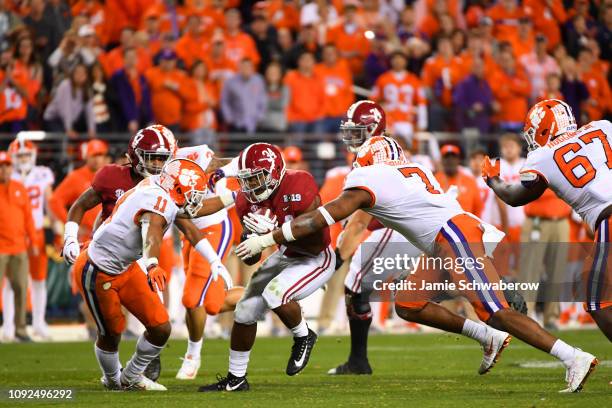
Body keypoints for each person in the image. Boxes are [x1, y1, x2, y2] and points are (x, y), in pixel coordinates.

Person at [237, 136, 598, 393]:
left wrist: (268, 238)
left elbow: (321, 219)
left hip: (453, 236)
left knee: (496, 311)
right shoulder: (407, 170)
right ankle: (488, 338)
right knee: (408, 303)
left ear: (369, 159)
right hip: (447, 236)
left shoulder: (370, 178)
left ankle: (573, 357)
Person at [70, 158, 231, 391]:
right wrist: (153, 263)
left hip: (127, 266)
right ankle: (113, 379)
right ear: (176, 188)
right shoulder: (158, 200)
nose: (195, 199)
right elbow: (152, 229)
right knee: (112, 333)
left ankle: (131, 376)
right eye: (192, 193)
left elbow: (190, 227)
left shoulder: (159, 186)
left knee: (160, 328)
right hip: (98, 269)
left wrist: (214, 260)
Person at [198, 143, 335, 392]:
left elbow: (315, 233)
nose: (251, 185)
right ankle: (236, 378)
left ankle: (303, 335)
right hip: (286, 255)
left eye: (258, 177)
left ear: (275, 172)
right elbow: (251, 259)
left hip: (316, 257)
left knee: (275, 292)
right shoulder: (245, 201)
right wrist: (252, 242)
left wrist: (272, 234)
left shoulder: (299, 183)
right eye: (247, 179)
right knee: (245, 311)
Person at [484, 98, 612, 341]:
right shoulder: (603, 127)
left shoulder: (543, 156)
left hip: (609, 217)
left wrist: (493, 180)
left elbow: (515, 197)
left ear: (543, 128)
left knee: (599, 303)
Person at [328, 100, 420, 375]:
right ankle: (493, 313)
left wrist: (331, 263)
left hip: (400, 227)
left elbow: (359, 223)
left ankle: (358, 361)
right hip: (412, 224)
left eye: (357, 130)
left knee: (355, 284)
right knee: (415, 303)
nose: (350, 136)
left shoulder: (374, 158)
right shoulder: (388, 150)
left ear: (372, 129)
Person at [174, 144, 244, 380]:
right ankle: (274, 294)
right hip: (188, 232)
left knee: (192, 298)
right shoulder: (160, 171)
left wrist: (238, 165)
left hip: (214, 227)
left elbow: (220, 162)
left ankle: (193, 355)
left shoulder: (198, 157)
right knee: (212, 305)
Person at [6, 139, 54, 339]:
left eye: (27, 155)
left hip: (36, 231)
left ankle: (39, 322)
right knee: (11, 282)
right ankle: (9, 325)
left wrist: (55, 228)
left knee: (38, 280)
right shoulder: (7, 174)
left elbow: (49, 202)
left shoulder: (42, 173)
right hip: (14, 233)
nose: (24, 159)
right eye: (20, 156)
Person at [0, 150, 38, 343]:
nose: (4, 169)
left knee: (21, 289)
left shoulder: (19, 188)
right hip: (0, 248)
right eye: (1, 166)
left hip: (19, 247)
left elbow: (28, 217)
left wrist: (33, 240)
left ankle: (21, 330)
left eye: (7, 165)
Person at [49, 139, 108, 240]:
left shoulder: (110, 175)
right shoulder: (76, 177)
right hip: (86, 238)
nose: (97, 159)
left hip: (107, 235)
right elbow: (55, 201)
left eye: (100, 155)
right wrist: (72, 226)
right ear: (86, 157)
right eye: (94, 155)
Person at [372, 51, 427, 142]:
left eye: (400, 59)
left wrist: (422, 123)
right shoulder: (383, 79)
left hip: (407, 120)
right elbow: (373, 100)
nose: (398, 62)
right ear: (391, 61)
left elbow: (422, 102)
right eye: (395, 59)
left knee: (406, 147)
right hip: (388, 119)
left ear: (406, 61)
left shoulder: (414, 80)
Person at [43, 62, 96, 138]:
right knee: (63, 139)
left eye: (83, 73)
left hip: (71, 121)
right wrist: (69, 129)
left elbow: (90, 111)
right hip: (54, 119)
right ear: (73, 74)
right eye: (77, 72)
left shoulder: (87, 89)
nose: (80, 75)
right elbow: (65, 109)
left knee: (83, 135)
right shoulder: (65, 85)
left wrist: (91, 129)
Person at [111, 47, 153, 134]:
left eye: (133, 57)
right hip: (124, 120)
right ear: (124, 59)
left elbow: (147, 99)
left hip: (141, 118)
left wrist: (150, 119)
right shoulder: (118, 77)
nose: (131, 60)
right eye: (129, 57)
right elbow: (123, 99)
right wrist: (131, 118)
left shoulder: (141, 77)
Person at [220, 58, 267, 133]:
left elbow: (263, 100)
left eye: (248, 67)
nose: (246, 69)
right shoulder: (231, 82)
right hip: (237, 124)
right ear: (239, 68)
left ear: (252, 68)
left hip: (256, 124)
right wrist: (228, 117)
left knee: (254, 144)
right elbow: (225, 101)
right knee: (238, 144)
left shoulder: (258, 81)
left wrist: (260, 116)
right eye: (244, 67)